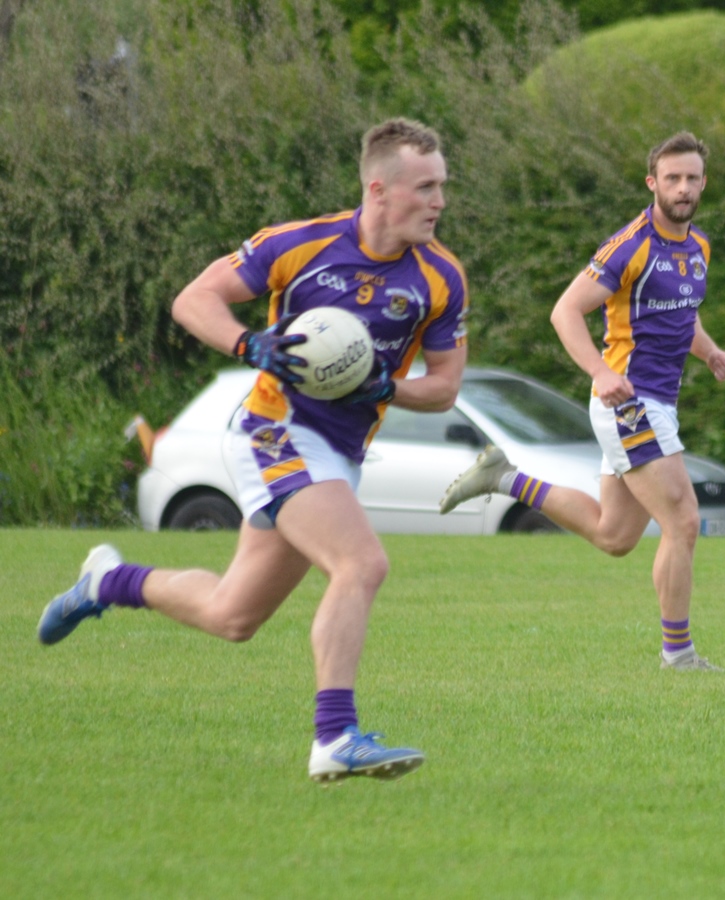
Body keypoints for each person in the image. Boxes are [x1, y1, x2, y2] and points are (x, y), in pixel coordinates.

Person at [37, 117, 470, 781]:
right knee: (361, 564)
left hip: (339, 454)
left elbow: (443, 389)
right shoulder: (299, 245)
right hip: (273, 431)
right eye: (426, 187)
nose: (440, 200)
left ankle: (107, 580)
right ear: (378, 190)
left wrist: (387, 385)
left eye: (443, 186)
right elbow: (194, 299)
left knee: (233, 614)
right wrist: (250, 345)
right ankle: (335, 736)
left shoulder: (440, 278)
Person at [439, 131, 725, 671]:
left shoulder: (699, 246)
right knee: (684, 521)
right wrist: (600, 371)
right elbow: (565, 311)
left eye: (692, 178)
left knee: (615, 535)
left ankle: (505, 478)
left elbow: (680, 311)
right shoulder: (630, 244)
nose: (683, 187)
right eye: (672, 178)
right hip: (630, 401)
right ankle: (679, 654)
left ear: (703, 183)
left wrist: (711, 352)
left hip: (657, 402)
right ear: (652, 183)